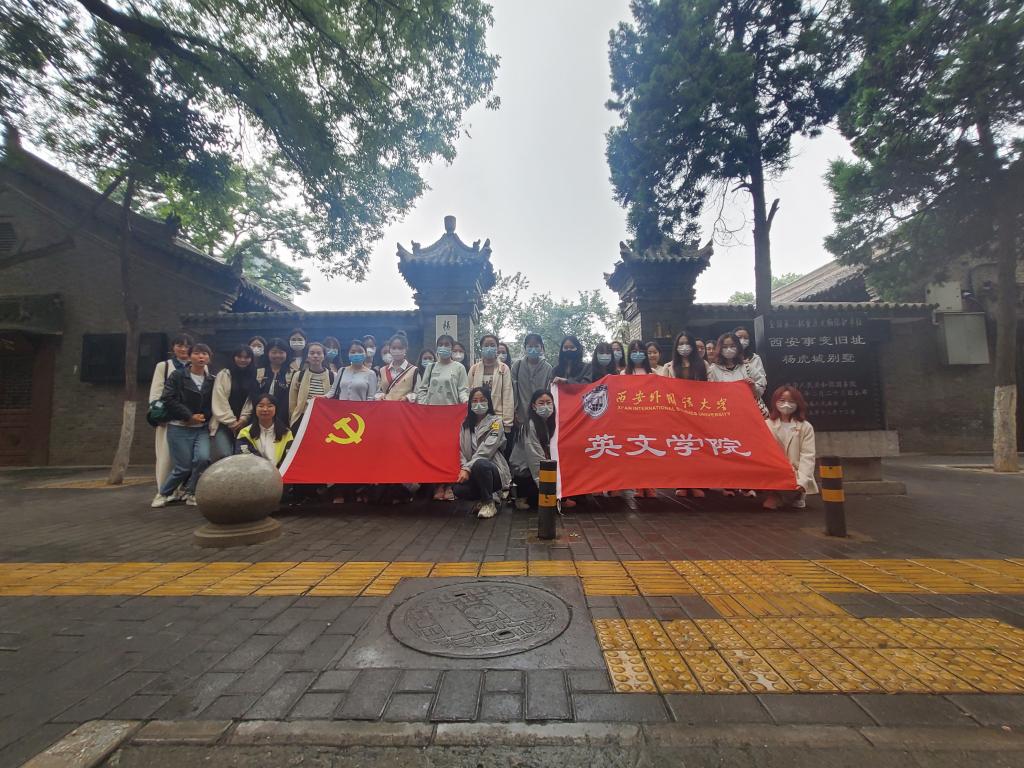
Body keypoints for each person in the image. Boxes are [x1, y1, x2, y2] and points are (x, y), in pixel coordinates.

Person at [152, 343, 214, 507]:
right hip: (179, 426)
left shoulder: (211, 380)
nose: (201, 357)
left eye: (205, 354)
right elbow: (168, 398)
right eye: (197, 353)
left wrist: (203, 416)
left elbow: (213, 402)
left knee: (202, 459)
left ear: (209, 358)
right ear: (190, 356)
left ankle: (191, 492)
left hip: (201, 428)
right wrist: (188, 416)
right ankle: (163, 493)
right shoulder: (177, 376)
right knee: (183, 467)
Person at [707, 332, 767, 498]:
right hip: (724, 418)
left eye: (732, 346)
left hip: (746, 418)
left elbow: (761, 389)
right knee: (727, 450)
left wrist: (753, 386)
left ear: (738, 348)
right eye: (725, 346)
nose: (729, 350)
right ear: (720, 349)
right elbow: (709, 393)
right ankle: (729, 483)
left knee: (747, 450)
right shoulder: (713, 370)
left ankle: (748, 483)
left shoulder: (747, 367)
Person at [417, 334, 470, 501]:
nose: (444, 347)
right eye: (441, 344)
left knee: (452, 450)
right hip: (432, 417)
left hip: (452, 416)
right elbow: (422, 389)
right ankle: (438, 485)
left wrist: (465, 403)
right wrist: (424, 406)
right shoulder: (431, 367)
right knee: (435, 451)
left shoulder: (459, 368)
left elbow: (463, 389)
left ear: (452, 347)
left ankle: (450, 485)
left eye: (447, 344)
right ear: (437, 347)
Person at [454, 387, 511, 519]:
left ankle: (489, 503)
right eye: (474, 400)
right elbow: (462, 449)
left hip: (493, 470)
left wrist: (467, 468)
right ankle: (483, 498)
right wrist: (464, 467)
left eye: (482, 400)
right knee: (458, 489)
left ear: (489, 402)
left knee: (481, 464)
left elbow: (487, 450)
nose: (478, 403)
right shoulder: (465, 424)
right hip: (472, 470)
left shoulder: (496, 422)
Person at [149, 332, 193, 502]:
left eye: (187, 346)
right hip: (169, 418)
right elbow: (156, 392)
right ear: (173, 347)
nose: (183, 349)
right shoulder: (164, 366)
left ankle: (183, 490)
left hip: (189, 419)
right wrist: (157, 413)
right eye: (180, 345)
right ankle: (164, 490)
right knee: (166, 457)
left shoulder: (198, 365)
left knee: (186, 458)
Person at [663, 331, 707, 498]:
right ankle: (681, 483)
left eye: (687, 343)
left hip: (697, 412)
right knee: (680, 447)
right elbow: (663, 389)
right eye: (681, 344)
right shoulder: (669, 367)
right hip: (677, 413)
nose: (684, 347)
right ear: (676, 347)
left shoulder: (703, 365)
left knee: (696, 448)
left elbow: (711, 387)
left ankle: (696, 483)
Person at [763, 386, 818, 510]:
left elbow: (808, 456)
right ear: (775, 402)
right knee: (769, 504)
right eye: (782, 400)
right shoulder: (767, 425)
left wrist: (802, 481)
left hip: (796, 474)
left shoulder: (805, 427)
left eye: (791, 401)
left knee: (793, 491)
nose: (786, 405)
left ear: (798, 404)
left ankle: (795, 495)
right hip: (775, 471)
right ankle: (777, 495)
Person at [511, 389, 555, 511]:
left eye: (548, 402)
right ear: (533, 406)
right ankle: (521, 497)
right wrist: (545, 486)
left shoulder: (550, 423)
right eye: (541, 403)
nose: (545, 406)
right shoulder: (529, 426)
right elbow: (535, 458)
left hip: (541, 468)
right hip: (526, 472)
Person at [211, 345, 257, 460]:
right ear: (233, 357)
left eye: (246, 357)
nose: (243, 360)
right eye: (239, 356)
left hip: (245, 424)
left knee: (243, 458)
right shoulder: (224, 374)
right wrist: (231, 422)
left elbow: (252, 400)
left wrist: (243, 419)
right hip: (223, 423)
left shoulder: (254, 375)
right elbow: (219, 399)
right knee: (225, 455)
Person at [625, 340, 657, 498]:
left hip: (650, 418)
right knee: (636, 452)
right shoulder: (624, 374)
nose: (637, 354)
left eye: (640, 351)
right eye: (634, 351)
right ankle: (638, 485)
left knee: (649, 452)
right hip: (631, 418)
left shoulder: (654, 373)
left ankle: (650, 485)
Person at [468, 333, 514, 436]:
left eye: (492, 345)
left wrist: (507, 423)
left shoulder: (504, 369)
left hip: (497, 418)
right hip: (478, 418)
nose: (489, 348)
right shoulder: (474, 369)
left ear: (497, 348)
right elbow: (469, 394)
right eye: (486, 345)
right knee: (479, 442)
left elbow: (508, 396)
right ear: (481, 348)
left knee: (494, 442)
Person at [236, 393, 294, 468]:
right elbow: (244, 458)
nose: (265, 409)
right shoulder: (245, 433)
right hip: (255, 471)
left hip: (280, 472)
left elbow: (289, 458)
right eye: (261, 406)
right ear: (255, 409)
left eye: (270, 406)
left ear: (276, 409)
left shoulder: (286, 433)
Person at [511, 333, 553, 437]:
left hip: (541, 415)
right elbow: (512, 390)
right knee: (522, 442)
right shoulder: (517, 366)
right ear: (525, 347)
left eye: (536, 346)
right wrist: (513, 411)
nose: (533, 349)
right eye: (530, 346)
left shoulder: (548, 368)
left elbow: (549, 391)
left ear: (541, 348)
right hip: (521, 415)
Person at [288, 341, 334, 430]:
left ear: (324, 356)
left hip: (324, 417)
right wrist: (293, 417)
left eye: (319, 353)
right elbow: (292, 400)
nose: (315, 356)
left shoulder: (332, 376)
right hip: (302, 417)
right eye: (312, 353)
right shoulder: (298, 375)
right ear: (307, 356)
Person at [377, 333, 420, 402]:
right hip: (386, 406)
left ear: (406, 349)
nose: (397, 351)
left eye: (400, 348)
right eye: (394, 348)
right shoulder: (382, 371)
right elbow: (378, 391)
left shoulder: (414, 370)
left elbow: (418, 393)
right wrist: (380, 396)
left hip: (404, 407)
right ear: (390, 349)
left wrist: (407, 398)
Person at [256, 338, 291, 417]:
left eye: (281, 352)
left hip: (284, 416)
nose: (277, 355)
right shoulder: (259, 372)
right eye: (274, 352)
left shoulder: (293, 373)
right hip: (261, 415)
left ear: (286, 353)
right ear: (267, 353)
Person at [734, 326, 767, 396]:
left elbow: (762, 381)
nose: (742, 340)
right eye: (739, 337)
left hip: (751, 396)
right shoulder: (727, 358)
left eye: (746, 338)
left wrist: (753, 386)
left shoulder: (755, 358)